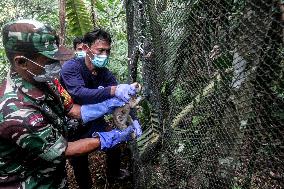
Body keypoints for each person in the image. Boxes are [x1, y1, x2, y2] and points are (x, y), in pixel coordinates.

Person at [0, 19, 140, 189]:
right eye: (49, 60)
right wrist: (110, 138)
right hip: (31, 183)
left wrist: (108, 106)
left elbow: (72, 109)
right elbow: (63, 150)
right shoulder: (17, 111)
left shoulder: (49, 82)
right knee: (79, 164)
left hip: (55, 177)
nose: (56, 65)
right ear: (21, 62)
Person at [60, 28, 142, 187]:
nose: (104, 54)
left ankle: (114, 175)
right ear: (85, 49)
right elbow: (80, 93)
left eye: (108, 50)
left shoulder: (104, 73)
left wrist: (133, 118)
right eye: (100, 50)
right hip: (73, 124)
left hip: (94, 120)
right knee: (79, 161)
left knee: (114, 143)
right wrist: (113, 90)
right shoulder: (71, 68)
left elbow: (122, 99)